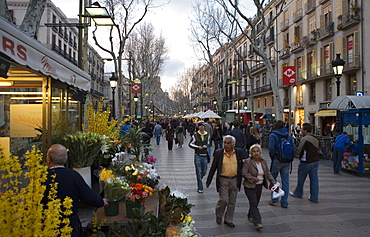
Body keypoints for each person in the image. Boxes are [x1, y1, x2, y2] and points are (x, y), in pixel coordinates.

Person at [42, 144, 108, 236]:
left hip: (47, 225)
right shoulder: (73, 175)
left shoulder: (41, 177)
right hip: (70, 225)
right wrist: (101, 201)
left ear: (48, 159)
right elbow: (88, 196)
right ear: (66, 159)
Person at [206, 135, 243, 228]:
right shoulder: (219, 153)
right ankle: (219, 214)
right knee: (223, 200)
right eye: (225, 143)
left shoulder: (238, 152)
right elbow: (213, 167)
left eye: (228, 143)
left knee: (232, 201)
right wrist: (208, 180)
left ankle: (228, 219)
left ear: (233, 144)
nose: (226, 145)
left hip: (234, 179)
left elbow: (242, 165)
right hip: (223, 179)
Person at [242, 144, 276, 230]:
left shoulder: (263, 162)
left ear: (260, 152)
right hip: (249, 186)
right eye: (254, 151)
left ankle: (250, 214)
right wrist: (253, 179)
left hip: (259, 186)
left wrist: (273, 182)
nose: (256, 153)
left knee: (255, 203)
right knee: (253, 202)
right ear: (251, 153)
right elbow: (244, 173)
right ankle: (257, 222)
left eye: (257, 151)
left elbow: (267, 173)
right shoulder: (247, 162)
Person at [290, 123, 320, 203]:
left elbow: (300, 149)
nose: (301, 130)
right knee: (314, 179)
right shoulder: (315, 138)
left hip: (306, 161)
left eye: (302, 129)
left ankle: (298, 193)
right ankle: (314, 197)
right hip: (315, 160)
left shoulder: (305, 138)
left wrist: (297, 155)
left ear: (306, 130)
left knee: (301, 178)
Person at [268, 120, 295, 208]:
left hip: (277, 159)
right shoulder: (288, 136)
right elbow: (293, 148)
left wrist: (273, 157)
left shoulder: (273, 135)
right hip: (286, 160)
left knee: (273, 179)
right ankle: (284, 202)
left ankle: (275, 198)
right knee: (285, 181)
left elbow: (271, 148)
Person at [189, 122, 211, 193]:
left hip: (204, 156)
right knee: (198, 172)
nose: (201, 127)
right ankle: (200, 187)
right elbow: (190, 144)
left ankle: (200, 178)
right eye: (200, 126)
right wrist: (197, 147)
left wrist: (206, 146)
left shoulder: (207, 135)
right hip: (197, 156)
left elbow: (209, 143)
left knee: (204, 171)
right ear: (198, 127)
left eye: (202, 126)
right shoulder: (195, 135)